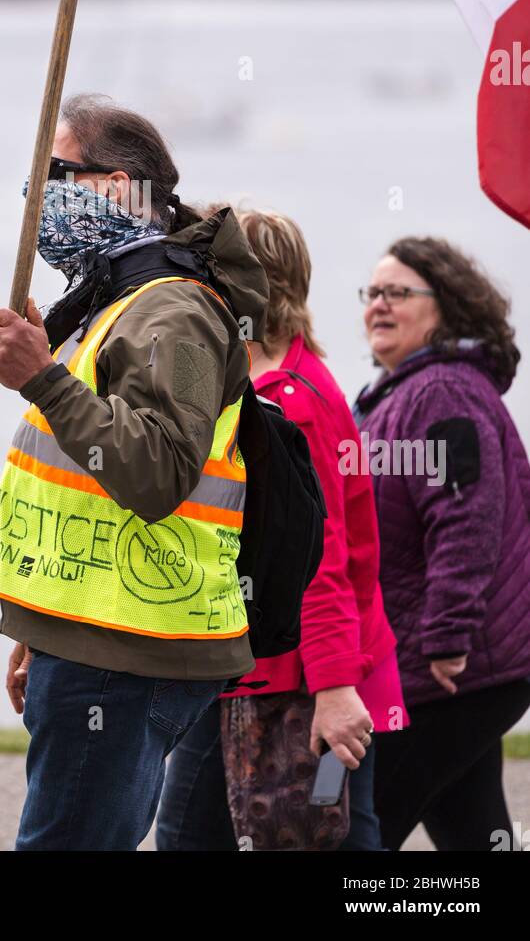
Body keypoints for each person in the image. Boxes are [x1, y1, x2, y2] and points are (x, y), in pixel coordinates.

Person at [0, 93, 270, 851]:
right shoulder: (120, 299)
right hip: (96, 636)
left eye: (57, 172)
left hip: (130, 645)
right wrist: (43, 629)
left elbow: (161, 471)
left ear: (116, 186)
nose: (40, 195)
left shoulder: (173, 311)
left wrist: (44, 378)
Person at [157, 209, 404, 851]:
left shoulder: (288, 404)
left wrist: (334, 687)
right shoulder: (279, 379)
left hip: (292, 679)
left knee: (193, 834)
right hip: (282, 669)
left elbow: (317, 558)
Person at [354, 236, 530, 851]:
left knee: (354, 827)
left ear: (446, 306)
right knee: (473, 833)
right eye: (372, 293)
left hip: (450, 668)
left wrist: (450, 635)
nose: (378, 305)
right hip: (449, 668)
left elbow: (467, 520)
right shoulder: (399, 395)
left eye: (398, 293)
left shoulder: (441, 393)